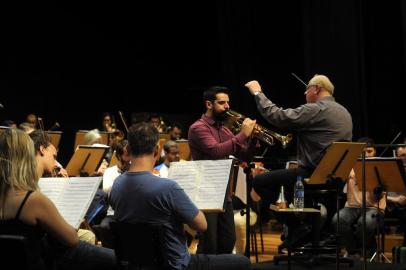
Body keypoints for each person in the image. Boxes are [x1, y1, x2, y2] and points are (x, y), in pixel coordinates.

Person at [109, 122, 251, 270]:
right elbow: (202, 225)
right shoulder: (168, 188)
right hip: (175, 265)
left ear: (129, 149)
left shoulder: (116, 186)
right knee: (243, 262)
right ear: (157, 150)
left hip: (136, 264)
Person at [0, 128, 117, 270]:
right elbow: (72, 239)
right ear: (27, 156)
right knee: (116, 259)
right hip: (46, 261)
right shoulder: (33, 200)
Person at [244, 75, 353, 210]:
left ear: (316, 89)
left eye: (307, 89)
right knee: (289, 184)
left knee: (259, 182)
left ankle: (294, 214)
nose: (305, 93)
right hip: (336, 178)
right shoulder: (344, 112)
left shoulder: (315, 109)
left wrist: (257, 93)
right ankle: (300, 214)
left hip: (312, 174)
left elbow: (277, 116)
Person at [188, 86, 257, 255]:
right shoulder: (198, 128)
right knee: (209, 243)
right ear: (209, 104)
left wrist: (253, 139)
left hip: (224, 194)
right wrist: (242, 135)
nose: (227, 106)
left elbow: (244, 156)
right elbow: (216, 150)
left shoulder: (224, 129)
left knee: (228, 240)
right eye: (221, 103)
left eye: (228, 102)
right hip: (206, 194)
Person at [29, 130, 96, 244]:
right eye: (54, 157)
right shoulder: (37, 189)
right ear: (42, 149)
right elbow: (71, 237)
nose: (55, 163)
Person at [331, 137, 384, 257]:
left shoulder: (381, 166)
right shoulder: (350, 165)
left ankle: (367, 249)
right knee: (338, 220)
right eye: (363, 152)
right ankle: (354, 250)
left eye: (369, 151)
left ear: (375, 151)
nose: (366, 155)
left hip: (373, 206)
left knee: (366, 222)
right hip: (352, 206)